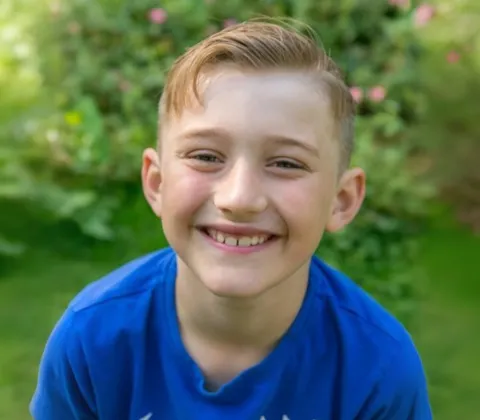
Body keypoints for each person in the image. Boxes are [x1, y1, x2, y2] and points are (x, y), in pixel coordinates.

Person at [30, 20, 432, 419]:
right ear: (156, 183)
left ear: (341, 201)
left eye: (286, 163)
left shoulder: (379, 371)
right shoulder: (91, 340)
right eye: (206, 156)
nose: (239, 198)